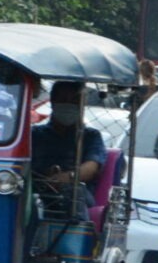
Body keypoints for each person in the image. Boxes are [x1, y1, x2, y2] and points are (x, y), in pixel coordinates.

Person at [30, 80, 107, 221]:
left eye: (74, 101)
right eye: (63, 100)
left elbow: (92, 167)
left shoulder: (90, 136)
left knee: (72, 192)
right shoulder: (35, 134)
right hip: (38, 189)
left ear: (82, 105)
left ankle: (73, 239)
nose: (68, 105)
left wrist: (68, 177)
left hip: (75, 194)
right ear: (53, 102)